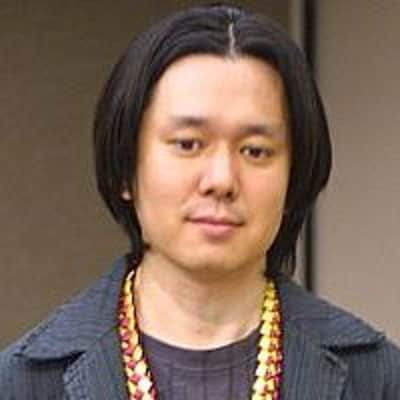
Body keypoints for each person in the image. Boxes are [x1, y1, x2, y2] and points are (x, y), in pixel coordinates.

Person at [1, 3, 399, 399]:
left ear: (293, 177)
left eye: (255, 151)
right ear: (125, 167)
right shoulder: (23, 383)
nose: (221, 180)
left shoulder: (377, 379)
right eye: (188, 144)